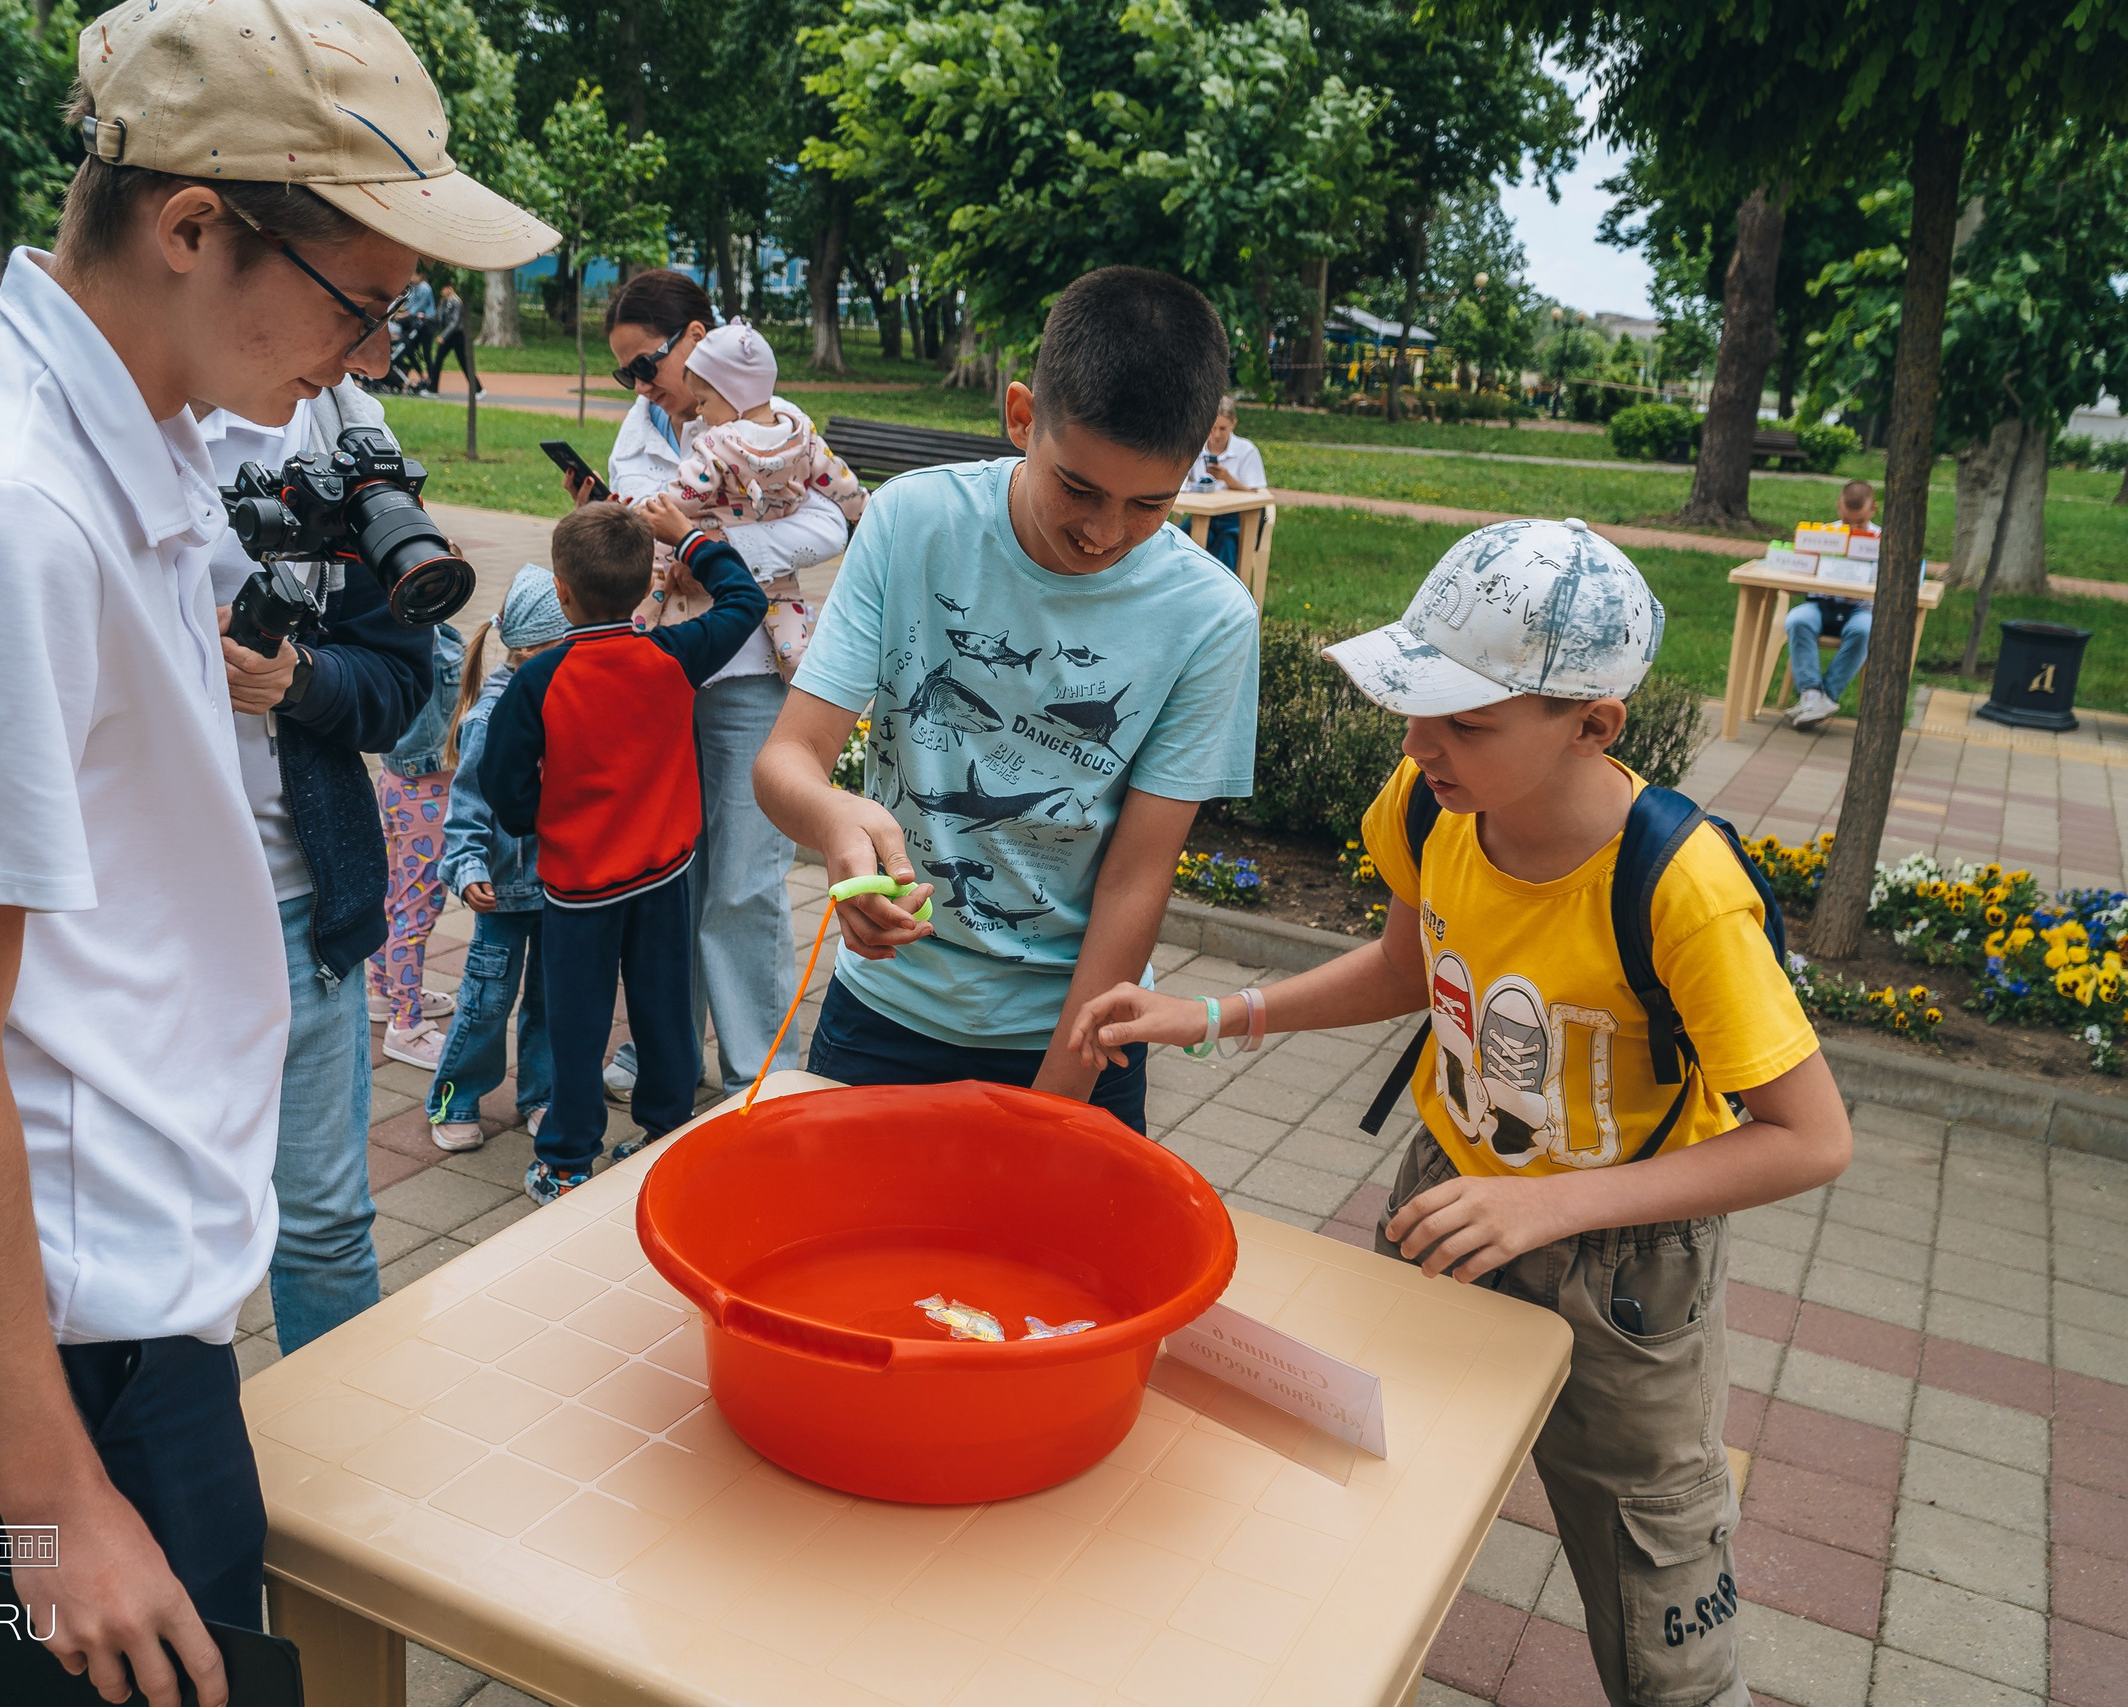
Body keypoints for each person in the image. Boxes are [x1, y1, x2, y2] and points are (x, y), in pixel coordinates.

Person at [0, 0, 556, 1697]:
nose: (371, 359)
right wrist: (57, 1509)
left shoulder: (118, 435)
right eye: (367, 304)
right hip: (71, 1311)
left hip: (99, 1261)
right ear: (193, 226)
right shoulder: (3, 516)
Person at [1068, 518, 1855, 1707]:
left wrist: (1550, 1210)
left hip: (1628, 1268)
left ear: (1593, 725)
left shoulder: (1683, 890)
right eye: (1412, 706)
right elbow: (1402, 970)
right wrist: (1217, 1014)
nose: (1421, 745)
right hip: (1447, 1200)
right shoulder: (1432, 805)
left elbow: (1811, 1137)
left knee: (1654, 1565)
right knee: (1380, 1485)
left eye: (1466, 723)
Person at [754, 265, 1261, 1134]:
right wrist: (836, 820)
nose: (1105, 533)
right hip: (885, 1013)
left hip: (1074, 1037)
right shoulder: (913, 522)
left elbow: (1137, 880)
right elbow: (785, 761)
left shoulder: (1210, 616)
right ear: (1021, 415)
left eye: (1151, 503)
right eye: (1079, 487)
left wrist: (1058, 1099)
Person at [194, 386, 440, 1354]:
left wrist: (300, 679)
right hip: (118, 924)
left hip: (298, 906)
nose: (365, 337)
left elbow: (398, 689)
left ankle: (336, 1480)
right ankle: (162, 1478)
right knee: (154, 1240)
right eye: (354, 300)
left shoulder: (343, 426)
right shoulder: (96, 411)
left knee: (327, 1227)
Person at [598, 271, 851, 1102]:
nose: (641, 387)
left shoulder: (771, 428)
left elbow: (832, 518)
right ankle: (669, 1047)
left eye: (647, 366)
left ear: (696, 339)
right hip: (668, 676)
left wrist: (714, 547)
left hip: (746, 673)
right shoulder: (639, 436)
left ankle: (764, 1073)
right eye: (626, 375)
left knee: (743, 878)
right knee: (677, 875)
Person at [479, 502, 765, 1203]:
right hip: (664, 874)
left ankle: (569, 1159)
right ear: (645, 586)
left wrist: (535, 821)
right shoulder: (673, 653)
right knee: (665, 1011)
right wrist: (688, 536)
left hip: (578, 887)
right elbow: (746, 598)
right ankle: (665, 1132)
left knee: (577, 1027)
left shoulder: (535, 683)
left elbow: (502, 783)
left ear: (561, 591)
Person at [424, 566, 565, 1152]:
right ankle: (453, 1099)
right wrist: (469, 867)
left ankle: (542, 1096)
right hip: (503, 892)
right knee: (486, 1003)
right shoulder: (490, 717)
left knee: (551, 1002)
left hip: (559, 889)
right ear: (533, 649)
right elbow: (467, 805)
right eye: (567, 644)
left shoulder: (564, 698)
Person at [638, 318, 864, 679]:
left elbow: (687, 495)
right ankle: (804, 684)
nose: (699, 411)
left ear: (734, 393)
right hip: (777, 575)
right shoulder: (801, 435)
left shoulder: (717, 443)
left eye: (704, 400)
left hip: (710, 549)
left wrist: (648, 513)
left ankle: (636, 638)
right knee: (794, 651)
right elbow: (838, 481)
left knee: (656, 577)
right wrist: (863, 511)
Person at [369, 621, 465, 1068]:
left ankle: (383, 990)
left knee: (392, 896)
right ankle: (405, 1025)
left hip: (394, 781)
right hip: (427, 795)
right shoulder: (432, 644)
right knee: (415, 913)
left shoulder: (394, 631)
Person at [1784, 478, 1880, 727]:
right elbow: (1799, 573)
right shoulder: (1821, 535)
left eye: (1859, 522)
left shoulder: (1884, 542)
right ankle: (1811, 694)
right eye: (1848, 522)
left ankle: (1825, 697)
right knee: (1797, 619)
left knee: (1865, 630)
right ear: (1838, 508)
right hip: (1821, 604)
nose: (1853, 528)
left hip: (1861, 609)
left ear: (1873, 510)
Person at [1184, 394, 1265, 573]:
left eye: (1223, 428)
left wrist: (1227, 479)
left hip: (1235, 520)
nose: (1217, 435)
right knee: (1178, 541)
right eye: (1212, 428)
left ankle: (1218, 595)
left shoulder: (1246, 450)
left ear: (1233, 424)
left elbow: (1255, 493)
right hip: (1201, 515)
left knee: (1226, 545)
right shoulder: (1195, 446)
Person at [426, 282, 478, 396]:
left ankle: (478, 389)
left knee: (463, 362)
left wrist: (443, 336)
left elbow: (454, 323)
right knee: (438, 360)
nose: (442, 292)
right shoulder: (444, 302)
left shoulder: (456, 303)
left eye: (444, 289)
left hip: (456, 336)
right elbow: (437, 316)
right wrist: (425, 318)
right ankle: (432, 388)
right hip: (449, 336)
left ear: (450, 288)